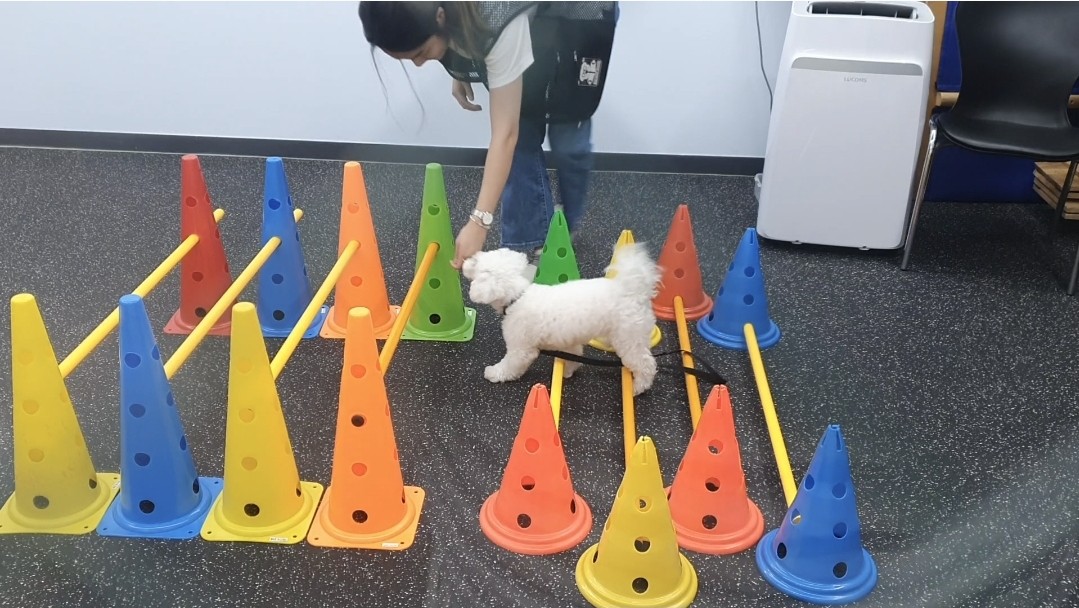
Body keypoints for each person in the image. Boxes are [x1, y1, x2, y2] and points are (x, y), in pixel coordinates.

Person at [358, 1, 619, 269]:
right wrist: (460, 68)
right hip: (528, 20)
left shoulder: (500, 18)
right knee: (523, 135)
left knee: (568, 141)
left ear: (440, 17)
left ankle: (568, 225)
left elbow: (505, 135)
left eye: (421, 53)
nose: (419, 63)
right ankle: (528, 245)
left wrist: (479, 222)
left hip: (580, 15)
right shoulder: (444, 14)